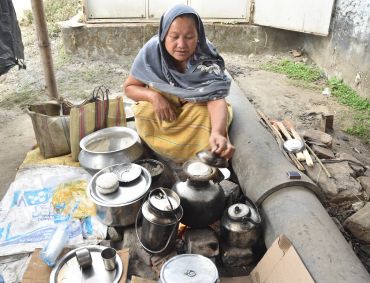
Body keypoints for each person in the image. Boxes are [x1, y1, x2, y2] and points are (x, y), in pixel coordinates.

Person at [124, 4, 234, 162]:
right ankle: (158, 151)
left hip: (193, 112)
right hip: (166, 112)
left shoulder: (206, 58)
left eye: (189, 37)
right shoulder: (152, 52)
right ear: (163, 35)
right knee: (144, 110)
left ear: (199, 36)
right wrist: (154, 97)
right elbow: (129, 88)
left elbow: (216, 99)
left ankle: (199, 163)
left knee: (207, 118)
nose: (181, 45)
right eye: (174, 37)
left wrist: (218, 132)